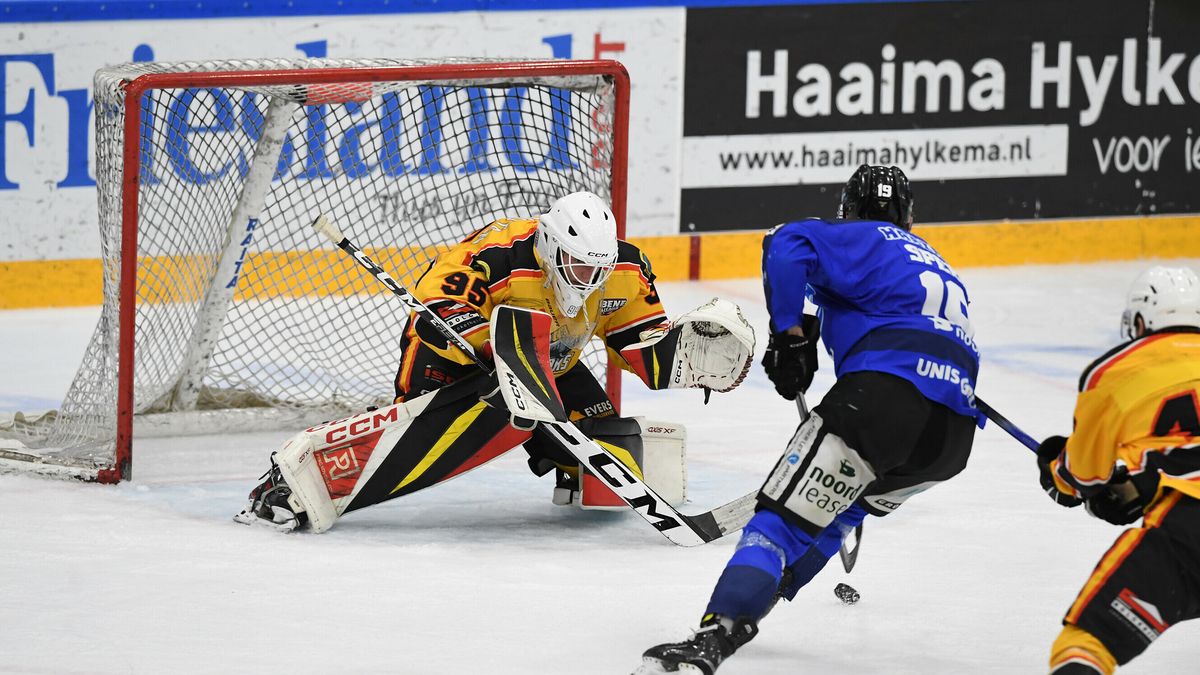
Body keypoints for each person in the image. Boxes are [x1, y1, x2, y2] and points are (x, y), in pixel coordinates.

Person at [236, 191, 755, 531]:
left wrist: (682, 355)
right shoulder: (497, 254)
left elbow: (641, 345)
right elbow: (432, 313)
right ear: (550, 246)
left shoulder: (622, 270)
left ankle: (567, 467)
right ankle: (291, 482)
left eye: (596, 268)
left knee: (611, 445)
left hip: (546, 361)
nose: (587, 279)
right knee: (420, 436)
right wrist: (486, 343)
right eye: (575, 264)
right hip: (455, 359)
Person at [638, 165, 983, 674]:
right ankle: (760, 596)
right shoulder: (935, 263)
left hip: (884, 401)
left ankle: (719, 632)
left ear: (849, 210)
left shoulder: (860, 237)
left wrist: (789, 335)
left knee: (777, 524)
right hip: (951, 438)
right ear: (910, 216)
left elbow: (784, 242)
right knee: (841, 512)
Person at [1036, 266, 1200, 674]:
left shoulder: (1114, 370)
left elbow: (1084, 476)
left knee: (1085, 645)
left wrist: (1058, 471)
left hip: (1189, 532)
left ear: (1142, 321)